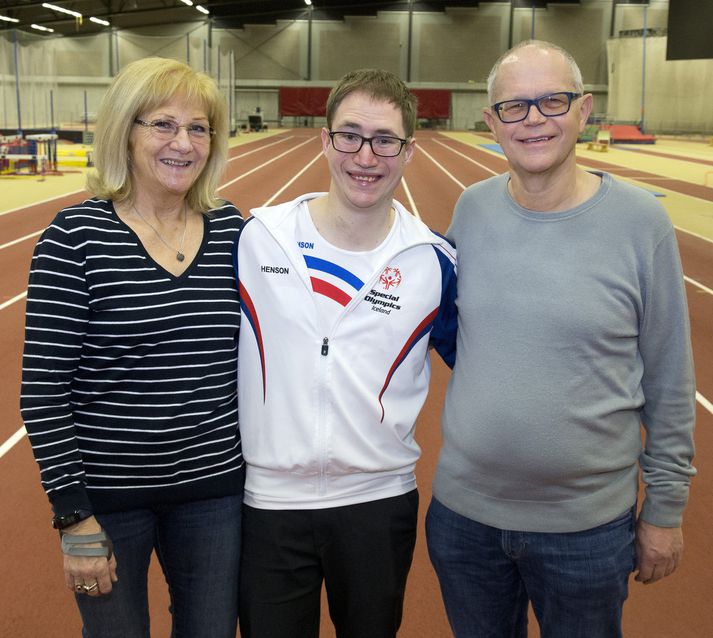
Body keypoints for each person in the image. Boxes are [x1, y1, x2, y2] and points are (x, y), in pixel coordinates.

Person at [426, 40, 696, 637]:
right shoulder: (471, 210)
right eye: (515, 107)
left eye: (553, 100)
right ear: (491, 121)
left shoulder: (640, 224)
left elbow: (671, 377)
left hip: (588, 532)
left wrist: (665, 509)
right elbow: (447, 327)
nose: (535, 120)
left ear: (585, 109)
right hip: (465, 521)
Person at [20, 57, 244, 638]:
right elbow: (43, 392)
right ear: (126, 130)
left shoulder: (233, 234)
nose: (183, 143)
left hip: (214, 495)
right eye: (163, 124)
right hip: (108, 503)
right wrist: (74, 518)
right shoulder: (75, 239)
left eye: (199, 128)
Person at [233, 68, 457, 638]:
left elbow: (487, 368)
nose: (366, 155)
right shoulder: (257, 238)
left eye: (385, 140)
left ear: (409, 151)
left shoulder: (432, 262)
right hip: (269, 505)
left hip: (377, 504)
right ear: (324, 139)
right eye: (350, 135)